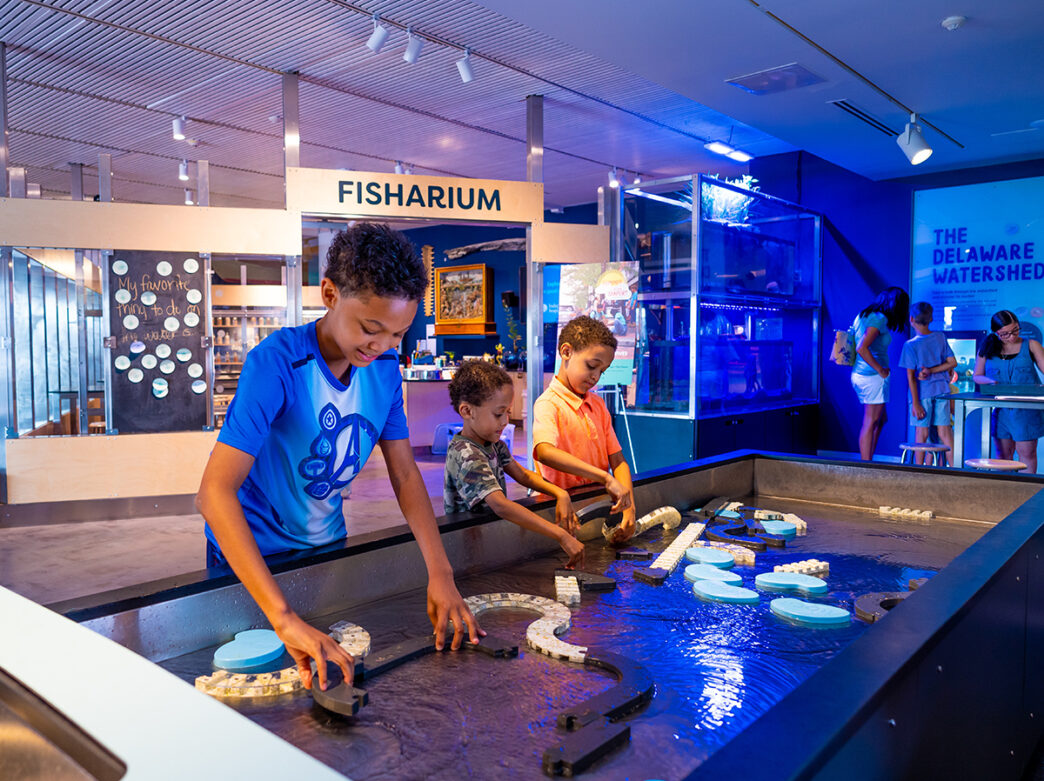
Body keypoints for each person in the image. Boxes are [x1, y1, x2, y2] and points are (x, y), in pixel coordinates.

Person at [195, 223, 481, 692]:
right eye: (370, 329)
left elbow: (405, 474)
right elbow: (213, 493)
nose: (381, 346)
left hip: (327, 547)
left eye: (398, 334)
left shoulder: (384, 369)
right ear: (330, 294)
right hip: (252, 557)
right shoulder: (277, 364)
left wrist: (440, 571)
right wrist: (284, 618)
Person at [444, 361, 585, 569]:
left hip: (487, 541)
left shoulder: (494, 444)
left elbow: (524, 476)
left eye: (508, 412)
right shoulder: (466, 454)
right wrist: (560, 535)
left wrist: (560, 493)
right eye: (498, 414)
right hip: (465, 549)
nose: (505, 422)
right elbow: (500, 505)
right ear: (467, 411)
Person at [532, 315, 636, 543]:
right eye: (591, 366)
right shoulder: (548, 404)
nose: (595, 376)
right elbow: (544, 452)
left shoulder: (598, 405)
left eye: (602, 371)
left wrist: (629, 508)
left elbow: (618, 460)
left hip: (600, 508)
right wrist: (605, 478)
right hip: (561, 514)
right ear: (566, 352)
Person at [972, 310, 1044, 472]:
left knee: (1027, 454)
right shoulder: (987, 348)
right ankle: (1006, 487)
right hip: (1000, 410)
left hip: (1027, 412)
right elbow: (977, 376)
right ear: (996, 332)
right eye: (1005, 334)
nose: (1011, 337)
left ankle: (1026, 487)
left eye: (1015, 330)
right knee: (1003, 456)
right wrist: (990, 381)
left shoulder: (1031, 345)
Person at [851, 286, 910, 461]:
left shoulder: (864, 315)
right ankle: (866, 466)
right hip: (871, 376)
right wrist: (880, 369)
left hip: (861, 374)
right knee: (870, 421)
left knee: (880, 419)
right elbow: (861, 347)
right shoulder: (879, 319)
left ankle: (869, 461)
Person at [898, 302, 957, 465]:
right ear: (931, 318)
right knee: (945, 432)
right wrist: (932, 370)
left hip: (922, 394)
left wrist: (915, 403)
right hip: (942, 390)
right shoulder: (940, 337)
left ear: (911, 319)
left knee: (921, 434)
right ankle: (955, 469)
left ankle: (919, 471)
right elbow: (952, 363)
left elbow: (911, 377)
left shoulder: (910, 345)